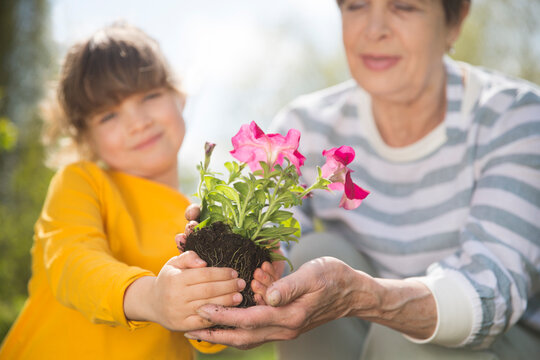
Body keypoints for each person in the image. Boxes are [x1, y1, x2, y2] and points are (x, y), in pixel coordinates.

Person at [181, 0, 540, 359]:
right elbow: (277, 238)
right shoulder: (309, 123)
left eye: (404, 7)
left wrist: (370, 298)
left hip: (501, 342)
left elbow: (494, 292)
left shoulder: (513, 117)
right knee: (310, 256)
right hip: (370, 329)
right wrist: (250, 258)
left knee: (399, 340)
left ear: (455, 21)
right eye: (356, 6)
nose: (374, 29)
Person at [0, 23, 246, 360]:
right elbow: (73, 264)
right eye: (109, 115)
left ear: (178, 95)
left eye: (150, 95)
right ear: (85, 137)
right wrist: (154, 298)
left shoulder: (201, 220)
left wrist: (242, 287)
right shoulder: (82, 182)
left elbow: (210, 332)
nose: (137, 121)